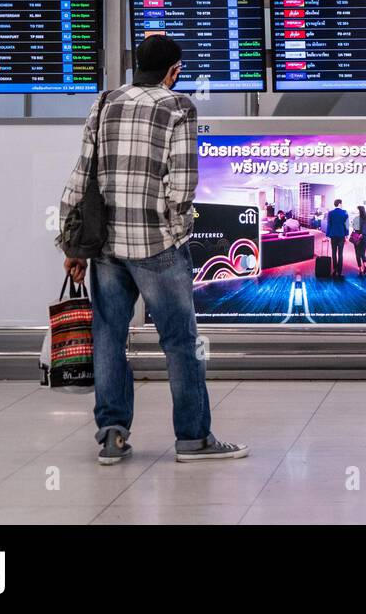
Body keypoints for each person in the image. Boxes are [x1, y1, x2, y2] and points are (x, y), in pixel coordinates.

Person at [59, 34, 249, 466]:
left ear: (135, 65)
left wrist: (72, 244)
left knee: (109, 336)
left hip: (106, 246)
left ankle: (112, 436)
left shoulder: (105, 102)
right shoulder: (178, 107)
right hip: (157, 245)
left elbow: (80, 173)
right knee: (180, 342)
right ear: (174, 70)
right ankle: (193, 439)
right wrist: (175, 229)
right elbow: (182, 184)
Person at [325, 198, 350, 280]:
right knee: (340, 253)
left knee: (333, 252)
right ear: (339, 204)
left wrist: (327, 235)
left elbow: (329, 225)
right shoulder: (344, 212)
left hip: (333, 235)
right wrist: (346, 235)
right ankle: (339, 271)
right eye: (341, 203)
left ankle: (334, 270)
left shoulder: (330, 213)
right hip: (341, 235)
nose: (342, 205)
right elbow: (346, 225)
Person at [352, 205, 366, 277]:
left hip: (357, 237)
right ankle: (365, 264)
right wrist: (362, 233)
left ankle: (360, 269)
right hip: (364, 237)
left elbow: (354, 228)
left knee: (357, 253)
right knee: (362, 253)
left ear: (359, 211)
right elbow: (364, 227)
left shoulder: (356, 218)